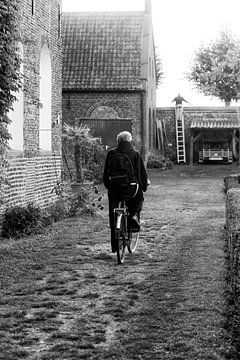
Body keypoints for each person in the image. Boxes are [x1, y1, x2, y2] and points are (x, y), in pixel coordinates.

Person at [103, 131, 149, 253]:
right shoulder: (135, 154)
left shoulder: (111, 154)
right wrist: (144, 187)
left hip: (114, 189)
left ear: (118, 141)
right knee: (138, 199)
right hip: (130, 189)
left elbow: (106, 174)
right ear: (130, 141)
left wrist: (109, 186)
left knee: (114, 213)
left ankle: (115, 245)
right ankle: (134, 215)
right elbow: (141, 174)